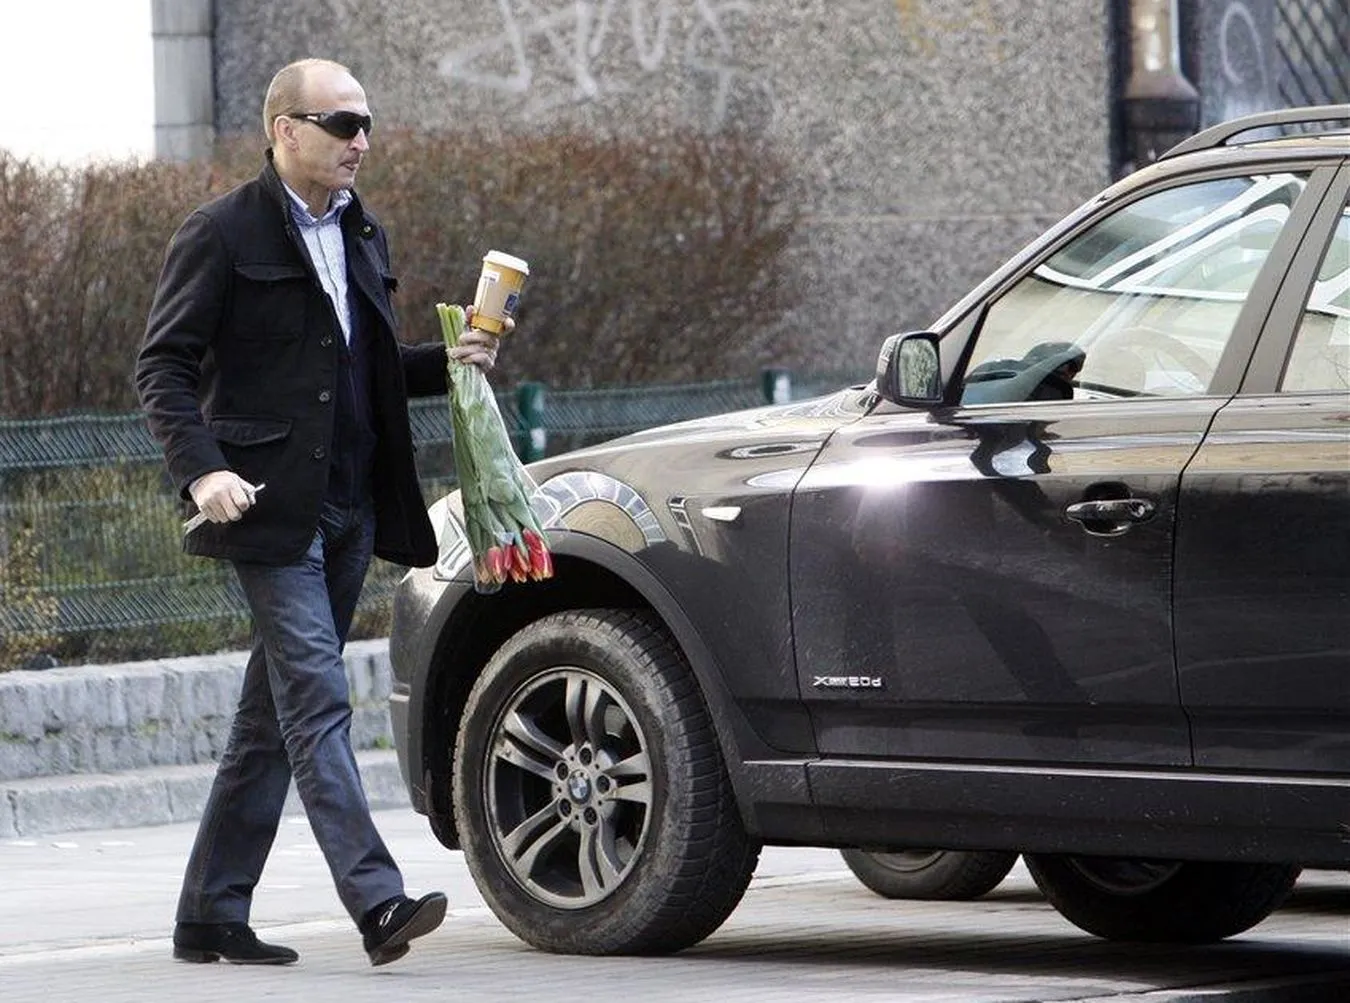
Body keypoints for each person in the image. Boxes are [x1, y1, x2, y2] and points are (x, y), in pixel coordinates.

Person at [135, 57, 502, 968]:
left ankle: (210, 912)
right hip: (267, 512)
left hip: (350, 508)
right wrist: (202, 473)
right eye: (341, 123)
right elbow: (163, 368)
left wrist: (449, 360)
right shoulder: (221, 231)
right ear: (285, 130)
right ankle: (378, 901)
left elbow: (364, 371)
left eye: (366, 123)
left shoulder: (362, 231)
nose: (360, 140)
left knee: (270, 717)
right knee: (316, 700)